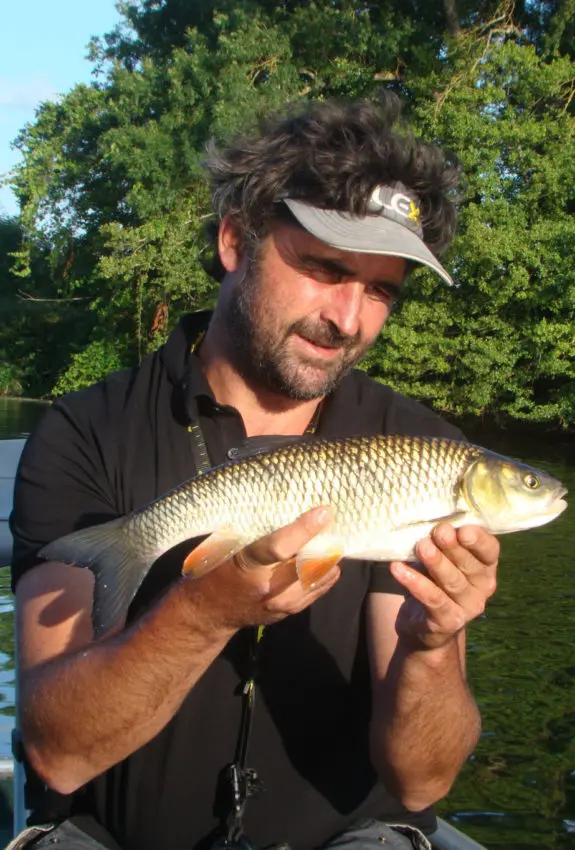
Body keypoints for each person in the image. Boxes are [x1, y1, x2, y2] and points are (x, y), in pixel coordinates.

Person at [10, 95, 499, 850]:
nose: (349, 318)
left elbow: (422, 782)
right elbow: (57, 750)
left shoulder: (416, 449)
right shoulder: (86, 432)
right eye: (326, 268)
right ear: (237, 240)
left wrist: (434, 643)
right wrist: (204, 610)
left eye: (380, 290)